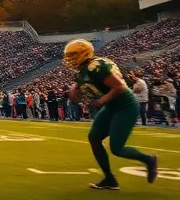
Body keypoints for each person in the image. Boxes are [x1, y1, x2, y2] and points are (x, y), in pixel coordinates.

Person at [63, 39, 158, 191]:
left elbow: (119, 86)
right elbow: (79, 81)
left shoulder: (96, 66)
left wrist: (102, 100)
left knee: (117, 148)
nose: (69, 59)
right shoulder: (85, 68)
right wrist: (74, 88)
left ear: (83, 53)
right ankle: (109, 178)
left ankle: (149, 160)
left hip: (125, 106)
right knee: (94, 138)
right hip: (112, 106)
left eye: (73, 55)